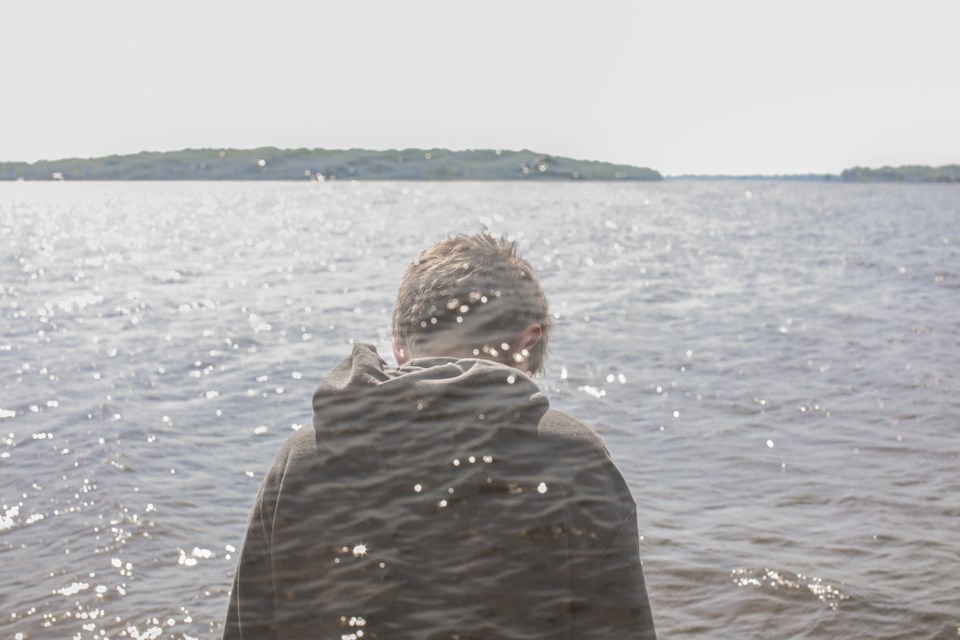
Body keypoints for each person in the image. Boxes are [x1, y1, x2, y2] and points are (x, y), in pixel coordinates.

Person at [223, 232, 656, 639]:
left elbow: (248, 628)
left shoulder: (301, 456)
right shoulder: (572, 457)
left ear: (399, 345)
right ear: (526, 344)